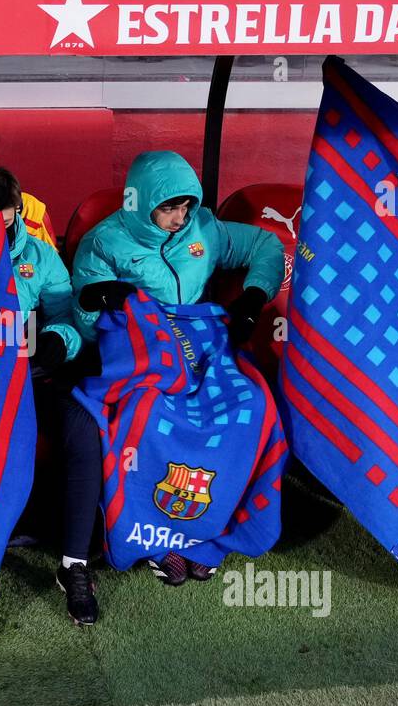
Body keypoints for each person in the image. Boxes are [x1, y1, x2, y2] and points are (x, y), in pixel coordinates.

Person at [71, 150, 285, 585]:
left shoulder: (204, 228)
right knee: (147, 415)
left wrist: (253, 296)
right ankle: (159, 541)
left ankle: (210, 533)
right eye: (168, 206)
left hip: (205, 343)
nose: (179, 216)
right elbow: (86, 323)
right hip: (142, 350)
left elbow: (267, 244)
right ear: (138, 201)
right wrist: (101, 302)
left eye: (185, 205)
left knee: (253, 406)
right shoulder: (103, 242)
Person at [0, 165, 101, 633]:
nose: (0, 229)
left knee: (84, 432)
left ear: (18, 211)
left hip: (33, 378)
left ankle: (73, 563)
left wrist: (55, 343)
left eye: (6, 219)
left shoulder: (41, 257)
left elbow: (70, 322)